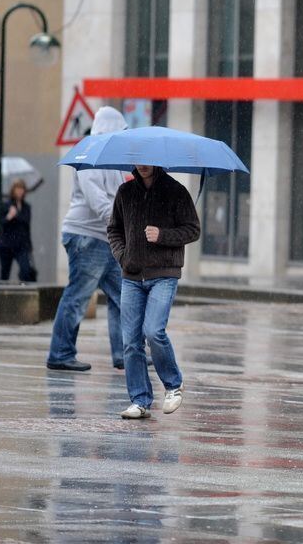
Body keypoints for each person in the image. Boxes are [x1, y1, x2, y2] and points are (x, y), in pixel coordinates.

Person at [108, 164, 200, 419]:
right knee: (130, 342)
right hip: (132, 276)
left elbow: (193, 229)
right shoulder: (125, 192)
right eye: (139, 160)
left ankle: (173, 385)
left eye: (148, 159)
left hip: (164, 274)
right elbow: (113, 229)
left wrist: (163, 235)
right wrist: (123, 256)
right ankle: (140, 400)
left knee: (153, 331)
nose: (144, 165)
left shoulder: (176, 191)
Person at [47, 107, 129, 372]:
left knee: (123, 297)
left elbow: (117, 199)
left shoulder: (113, 159)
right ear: (112, 127)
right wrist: (122, 223)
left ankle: (125, 353)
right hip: (85, 236)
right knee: (78, 296)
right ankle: (60, 353)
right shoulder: (89, 152)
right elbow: (97, 200)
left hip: (105, 238)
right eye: (122, 129)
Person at [0, 179, 36, 282]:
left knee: (26, 270)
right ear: (13, 190)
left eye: (22, 188)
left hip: (21, 245)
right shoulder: (6, 205)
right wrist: (9, 216)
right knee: (4, 274)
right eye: (17, 188)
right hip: (7, 244)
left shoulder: (26, 207)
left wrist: (29, 245)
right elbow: (1, 223)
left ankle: (24, 291)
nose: (19, 191)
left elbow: (27, 225)